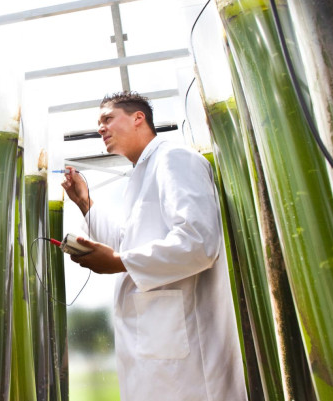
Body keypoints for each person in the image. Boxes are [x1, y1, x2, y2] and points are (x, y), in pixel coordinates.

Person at [61, 92, 246, 400]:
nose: (100, 129)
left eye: (107, 118)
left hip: (186, 361)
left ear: (138, 118)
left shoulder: (174, 158)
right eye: (98, 124)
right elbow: (126, 242)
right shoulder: (143, 174)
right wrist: (84, 201)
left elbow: (199, 242)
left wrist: (119, 261)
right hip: (158, 342)